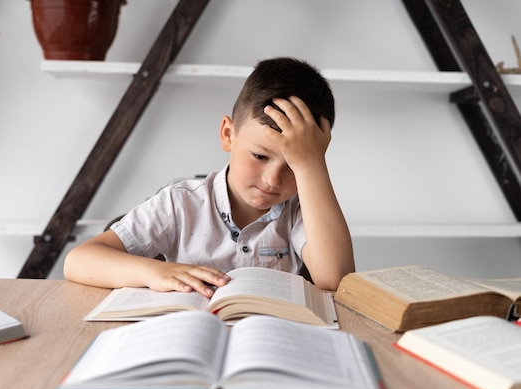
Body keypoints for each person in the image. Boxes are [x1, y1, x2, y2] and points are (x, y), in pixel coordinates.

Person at [63, 56, 354, 294]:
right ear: (228, 134)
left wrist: (311, 166)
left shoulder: (300, 212)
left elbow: (336, 280)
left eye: (293, 165)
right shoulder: (179, 204)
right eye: (260, 156)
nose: (272, 180)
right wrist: (156, 271)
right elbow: (78, 261)